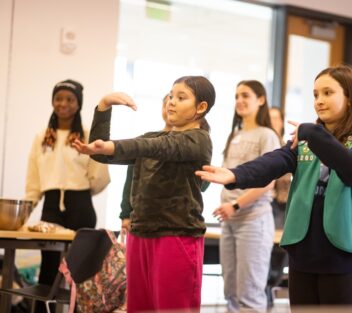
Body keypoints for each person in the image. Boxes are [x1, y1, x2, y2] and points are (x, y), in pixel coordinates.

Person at [196, 65, 352, 308]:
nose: (319, 101)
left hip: (341, 252)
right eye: (316, 94)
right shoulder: (304, 142)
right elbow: (271, 163)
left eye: (328, 93)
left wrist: (314, 134)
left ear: (350, 98)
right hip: (302, 250)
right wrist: (234, 175)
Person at [73, 76, 215, 313]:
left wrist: (113, 147)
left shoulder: (199, 140)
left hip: (177, 235)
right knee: (139, 308)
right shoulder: (153, 138)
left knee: (172, 307)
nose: (171, 102)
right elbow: (100, 153)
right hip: (141, 234)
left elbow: (156, 148)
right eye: (171, 96)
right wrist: (104, 106)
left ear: (201, 107)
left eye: (181, 98)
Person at [25, 79, 110, 313]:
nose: (63, 103)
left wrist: (80, 192)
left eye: (70, 99)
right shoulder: (43, 136)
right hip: (50, 207)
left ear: (78, 104)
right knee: (48, 272)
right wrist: (25, 211)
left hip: (81, 205)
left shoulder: (86, 135)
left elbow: (99, 174)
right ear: (53, 101)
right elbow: (33, 179)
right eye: (58, 98)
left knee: (80, 275)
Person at [214, 80, 280, 312]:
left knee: (249, 293)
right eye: (236, 96)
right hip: (229, 222)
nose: (239, 101)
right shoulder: (235, 134)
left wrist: (236, 205)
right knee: (230, 290)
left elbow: (268, 181)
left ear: (260, 100)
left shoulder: (267, 135)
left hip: (253, 221)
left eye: (245, 95)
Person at [120, 94, 172, 233]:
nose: (171, 107)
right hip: (141, 219)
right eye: (167, 103)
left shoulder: (192, 143)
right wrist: (125, 214)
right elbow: (130, 180)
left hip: (172, 222)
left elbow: (202, 186)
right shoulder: (148, 140)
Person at [269, 107, 291, 229]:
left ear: (282, 122)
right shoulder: (264, 142)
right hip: (264, 198)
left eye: (276, 118)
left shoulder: (286, 146)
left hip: (281, 201)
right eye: (270, 118)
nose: (273, 122)